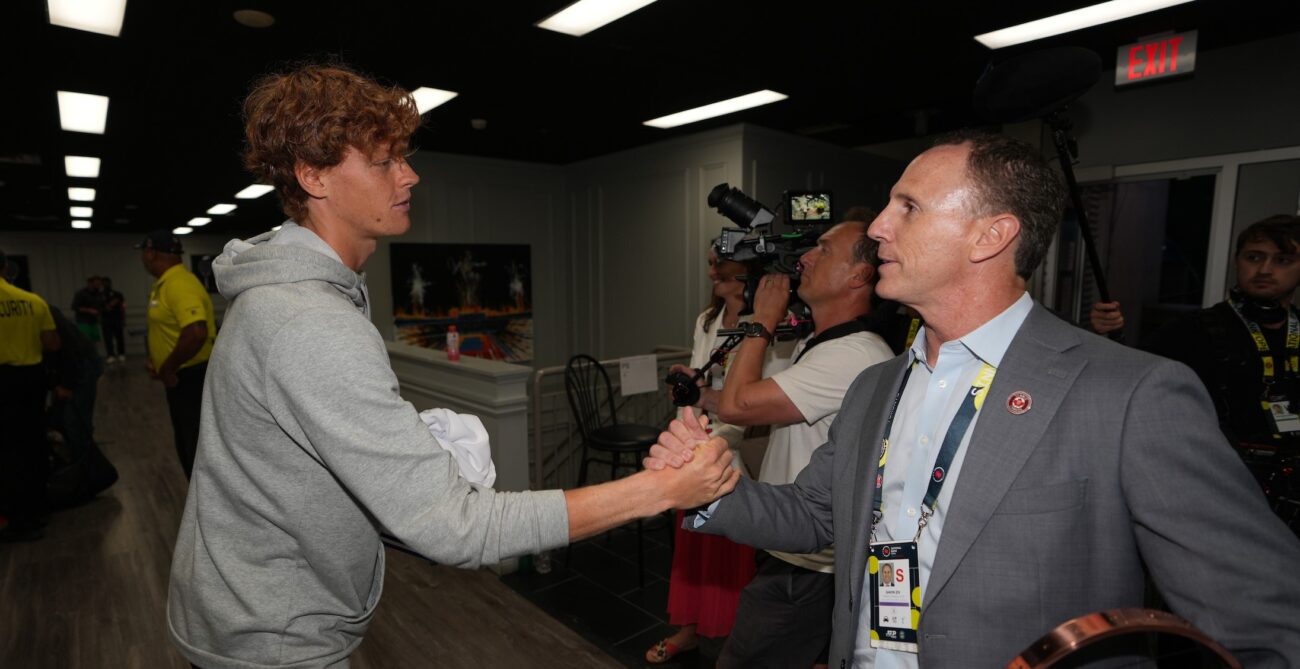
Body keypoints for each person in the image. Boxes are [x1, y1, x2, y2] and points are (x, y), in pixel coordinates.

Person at [650, 130, 1300, 667]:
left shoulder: (1130, 393)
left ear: (990, 235)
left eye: (907, 207)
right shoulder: (875, 386)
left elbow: (1266, 619)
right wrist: (710, 489)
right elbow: (815, 515)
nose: (877, 228)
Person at [166, 62, 738, 669]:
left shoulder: (293, 300)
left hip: (253, 614)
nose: (409, 174)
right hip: (273, 639)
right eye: (384, 161)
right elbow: (457, 530)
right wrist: (658, 489)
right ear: (314, 177)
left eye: (403, 156)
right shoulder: (310, 322)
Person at [709, 214, 895, 669]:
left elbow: (737, 407)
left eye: (824, 250)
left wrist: (763, 320)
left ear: (859, 275)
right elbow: (763, 406)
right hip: (798, 547)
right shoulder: (823, 343)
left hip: (806, 562)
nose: (806, 257)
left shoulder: (854, 354)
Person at [647, 245, 784, 664]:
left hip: (734, 450)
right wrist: (689, 387)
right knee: (693, 548)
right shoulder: (706, 320)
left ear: (745, 269)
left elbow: (763, 396)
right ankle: (690, 626)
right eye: (710, 263)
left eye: (719, 263)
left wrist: (720, 437)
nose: (712, 272)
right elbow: (699, 380)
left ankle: (729, 633)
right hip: (697, 440)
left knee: (732, 554)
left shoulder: (768, 325)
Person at [138, 230, 216, 479]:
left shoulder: (178, 284)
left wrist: (168, 368)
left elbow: (195, 332)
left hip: (191, 377)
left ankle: (205, 510)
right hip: (181, 376)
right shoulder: (164, 284)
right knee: (186, 443)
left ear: (150, 253)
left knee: (194, 447)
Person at [0, 249, 61, 542]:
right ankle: (36, 509)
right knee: (33, 444)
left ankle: (13, 515)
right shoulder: (33, 301)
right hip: (29, 380)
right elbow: (52, 343)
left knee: (6, 451)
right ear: (6, 268)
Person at [70, 275, 105, 354]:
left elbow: (101, 306)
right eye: (97, 284)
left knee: (94, 341)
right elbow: (75, 307)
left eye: (100, 284)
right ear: (90, 283)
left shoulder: (98, 294)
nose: (99, 286)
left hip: (94, 321)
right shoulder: (81, 293)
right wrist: (89, 310)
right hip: (83, 321)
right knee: (85, 340)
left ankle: (93, 355)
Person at [100, 276, 127, 363]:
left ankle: (121, 354)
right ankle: (111, 355)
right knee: (108, 338)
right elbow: (98, 307)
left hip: (117, 318)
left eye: (107, 282)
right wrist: (106, 308)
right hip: (106, 319)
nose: (105, 284)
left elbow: (123, 306)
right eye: (103, 283)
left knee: (119, 337)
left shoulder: (117, 294)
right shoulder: (100, 295)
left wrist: (123, 318)